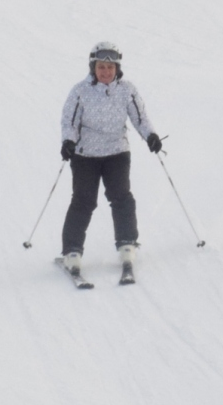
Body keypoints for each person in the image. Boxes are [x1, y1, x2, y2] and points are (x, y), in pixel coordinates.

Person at [58, 41, 161, 272]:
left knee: (121, 198)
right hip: (85, 155)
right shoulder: (80, 91)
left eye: (110, 67)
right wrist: (68, 141)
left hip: (117, 153)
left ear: (117, 69)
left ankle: (127, 244)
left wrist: (151, 136)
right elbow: (69, 121)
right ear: (93, 67)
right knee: (83, 201)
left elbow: (140, 118)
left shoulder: (127, 90)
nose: (106, 72)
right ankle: (72, 250)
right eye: (101, 67)